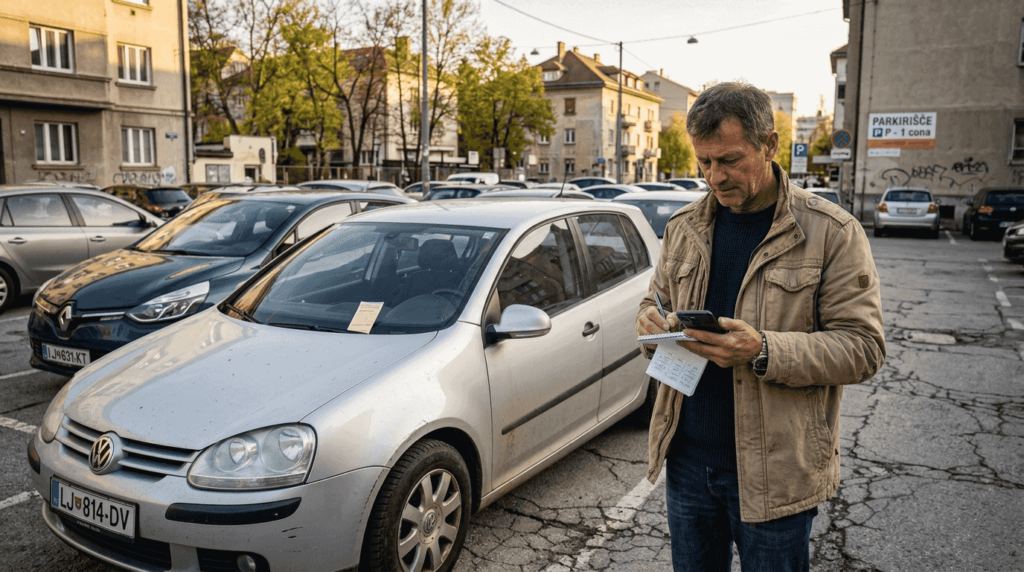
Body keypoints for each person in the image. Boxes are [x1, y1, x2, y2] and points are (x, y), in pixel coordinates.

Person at [635, 82, 885, 572]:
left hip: (775, 471)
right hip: (687, 463)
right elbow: (655, 297)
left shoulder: (831, 232)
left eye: (729, 160)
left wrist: (764, 349)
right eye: (704, 162)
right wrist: (649, 319)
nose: (714, 177)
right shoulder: (683, 226)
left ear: (769, 145)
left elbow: (863, 347)